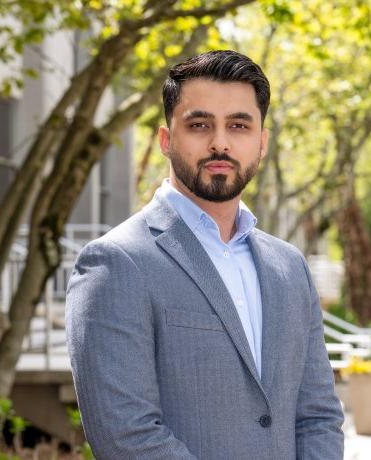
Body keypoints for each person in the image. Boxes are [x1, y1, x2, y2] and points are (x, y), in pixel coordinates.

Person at [66, 50, 344, 460]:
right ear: (166, 139)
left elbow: (318, 415)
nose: (220, 142)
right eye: (199, 125)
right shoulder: (115, 263)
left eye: (239, 125)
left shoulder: (289, 267)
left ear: (262, 142)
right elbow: (126, 435)